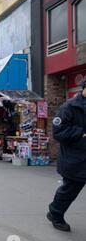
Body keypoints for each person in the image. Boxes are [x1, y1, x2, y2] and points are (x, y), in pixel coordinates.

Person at [47, 79, 86, 232]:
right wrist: (80, 133)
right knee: (69, 190)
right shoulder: (69, 106)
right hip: (74, 159)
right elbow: (58, 131)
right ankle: (55, 213)